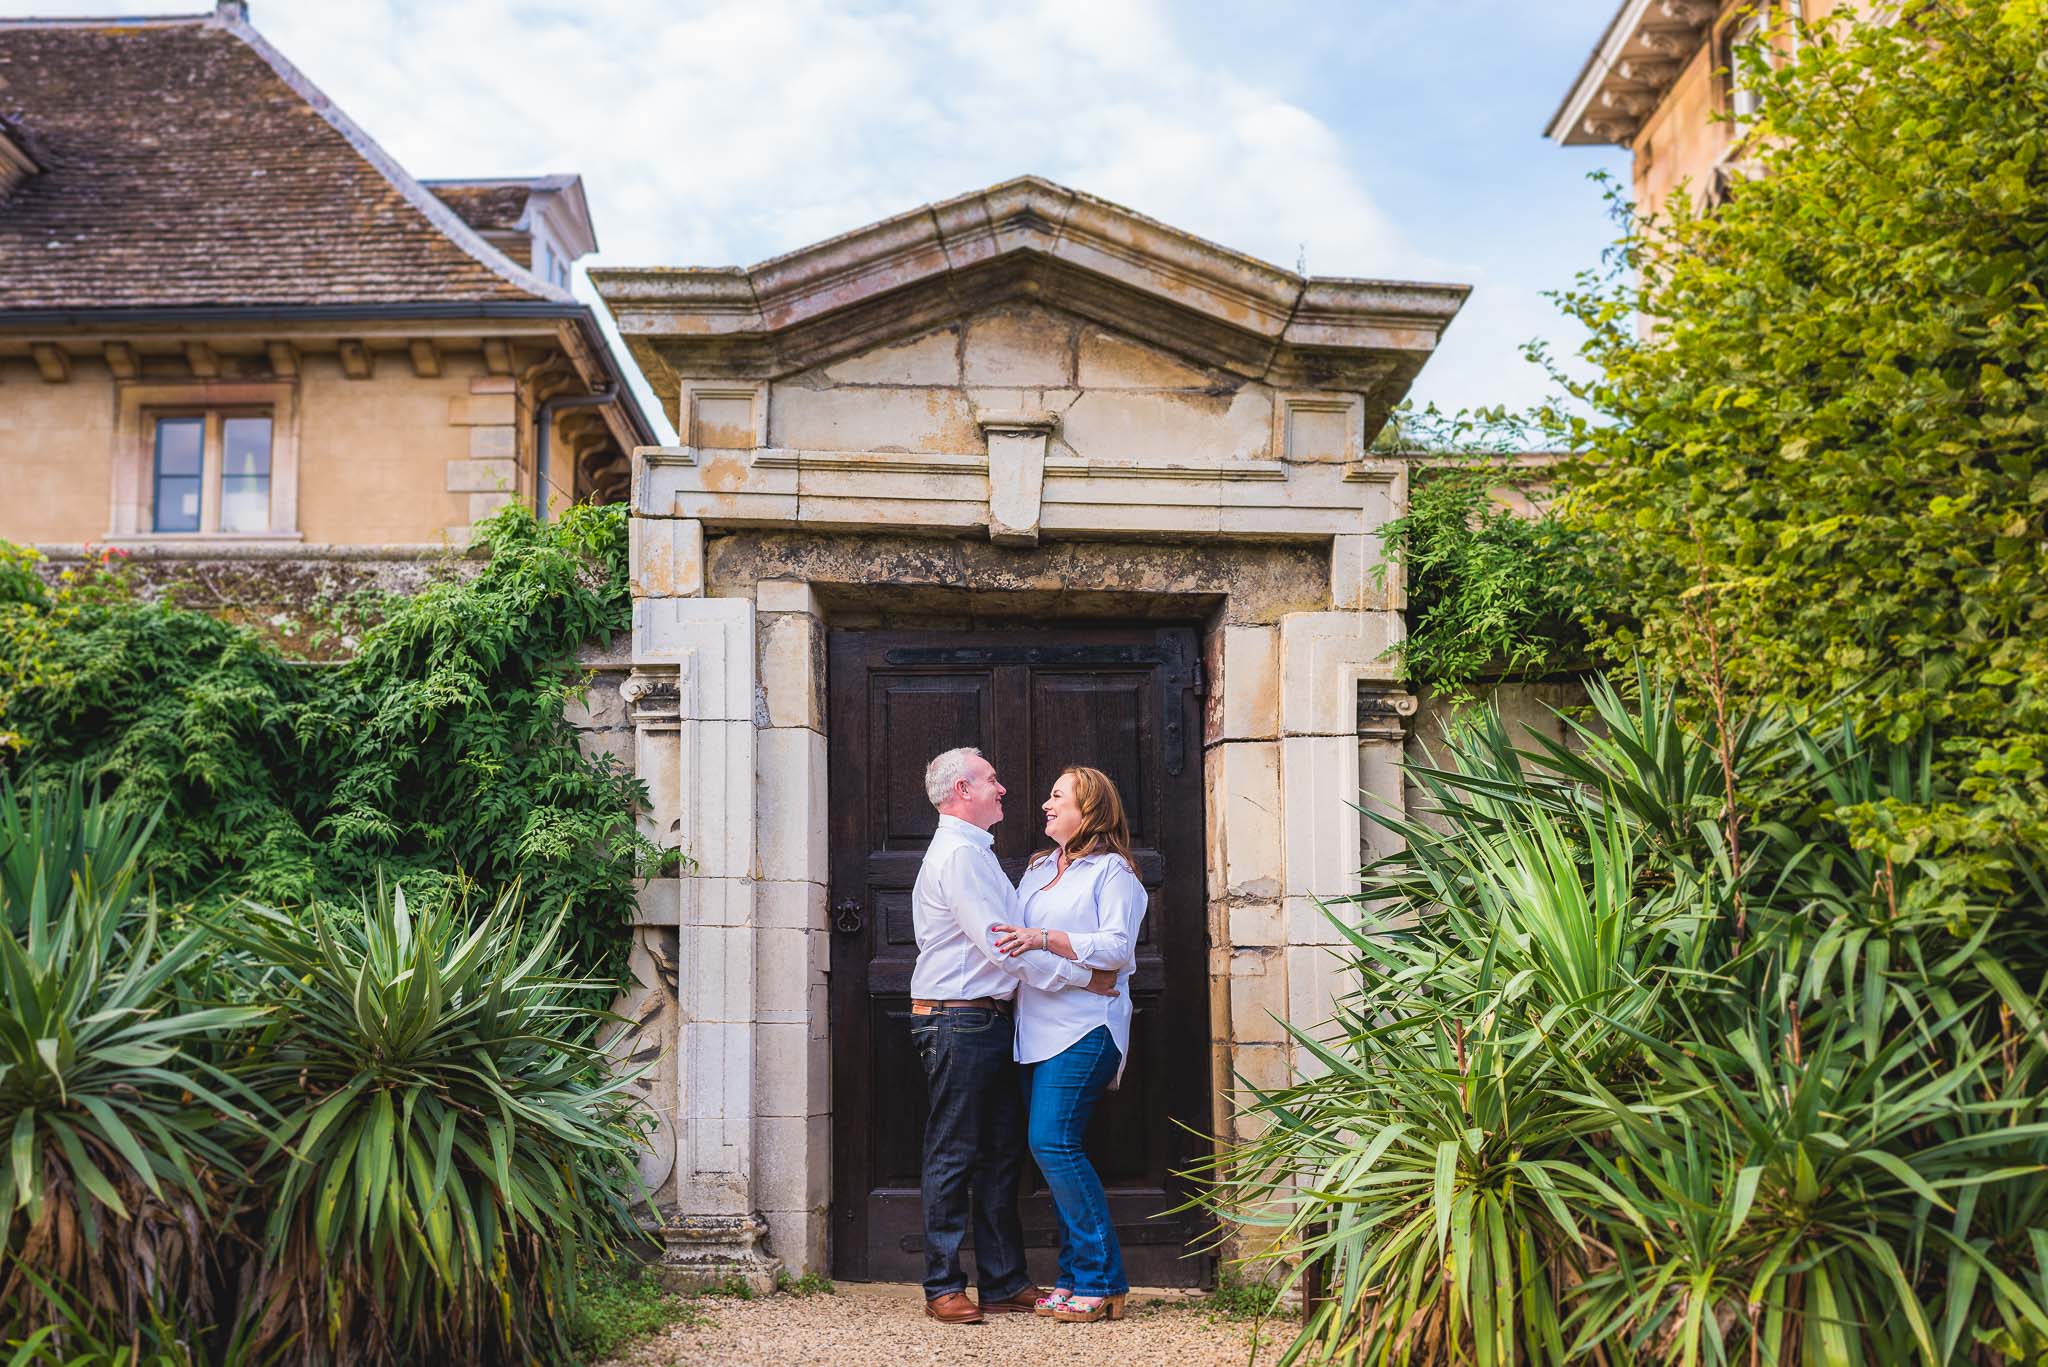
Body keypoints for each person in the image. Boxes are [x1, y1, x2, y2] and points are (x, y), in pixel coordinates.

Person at [910, 746, 1118, 1326]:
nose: (1004, 789)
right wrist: (1086, 977)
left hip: (989, 1020)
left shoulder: (979, 853)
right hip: (957, 1018)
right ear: (961, 792)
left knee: (1002, 1154)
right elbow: (1005, 946)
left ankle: (1003, 1281)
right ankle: (942, 1285)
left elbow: (1019, 942)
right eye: (992, 780)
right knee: (953, 1152)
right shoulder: (959, 856)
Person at [991, 765, 1147, 1324]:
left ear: (1091, 810)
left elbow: (1114, 950)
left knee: (1053, 1143)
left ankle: (1103, 1280)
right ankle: (1072, 1275)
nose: (1046, 804)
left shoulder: (1114, 874)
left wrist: (1044, 938)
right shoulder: (1035, 871)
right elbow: (1006, 941)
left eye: (1058, 796)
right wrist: (1055, 959)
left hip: (1087, 1027)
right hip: (1034, 1030)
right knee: (1051, 1150)